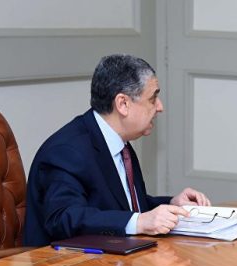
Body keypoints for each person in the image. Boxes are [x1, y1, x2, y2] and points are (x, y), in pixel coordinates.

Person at [24, 54, 211, 246]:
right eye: (153, 98)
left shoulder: (120, 143)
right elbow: (64, 218)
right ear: (123, 104)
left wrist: (172, 204)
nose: (160, 106)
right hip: (67, 262)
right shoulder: (66, 152)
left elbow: (123, 206)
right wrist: (140, 222)